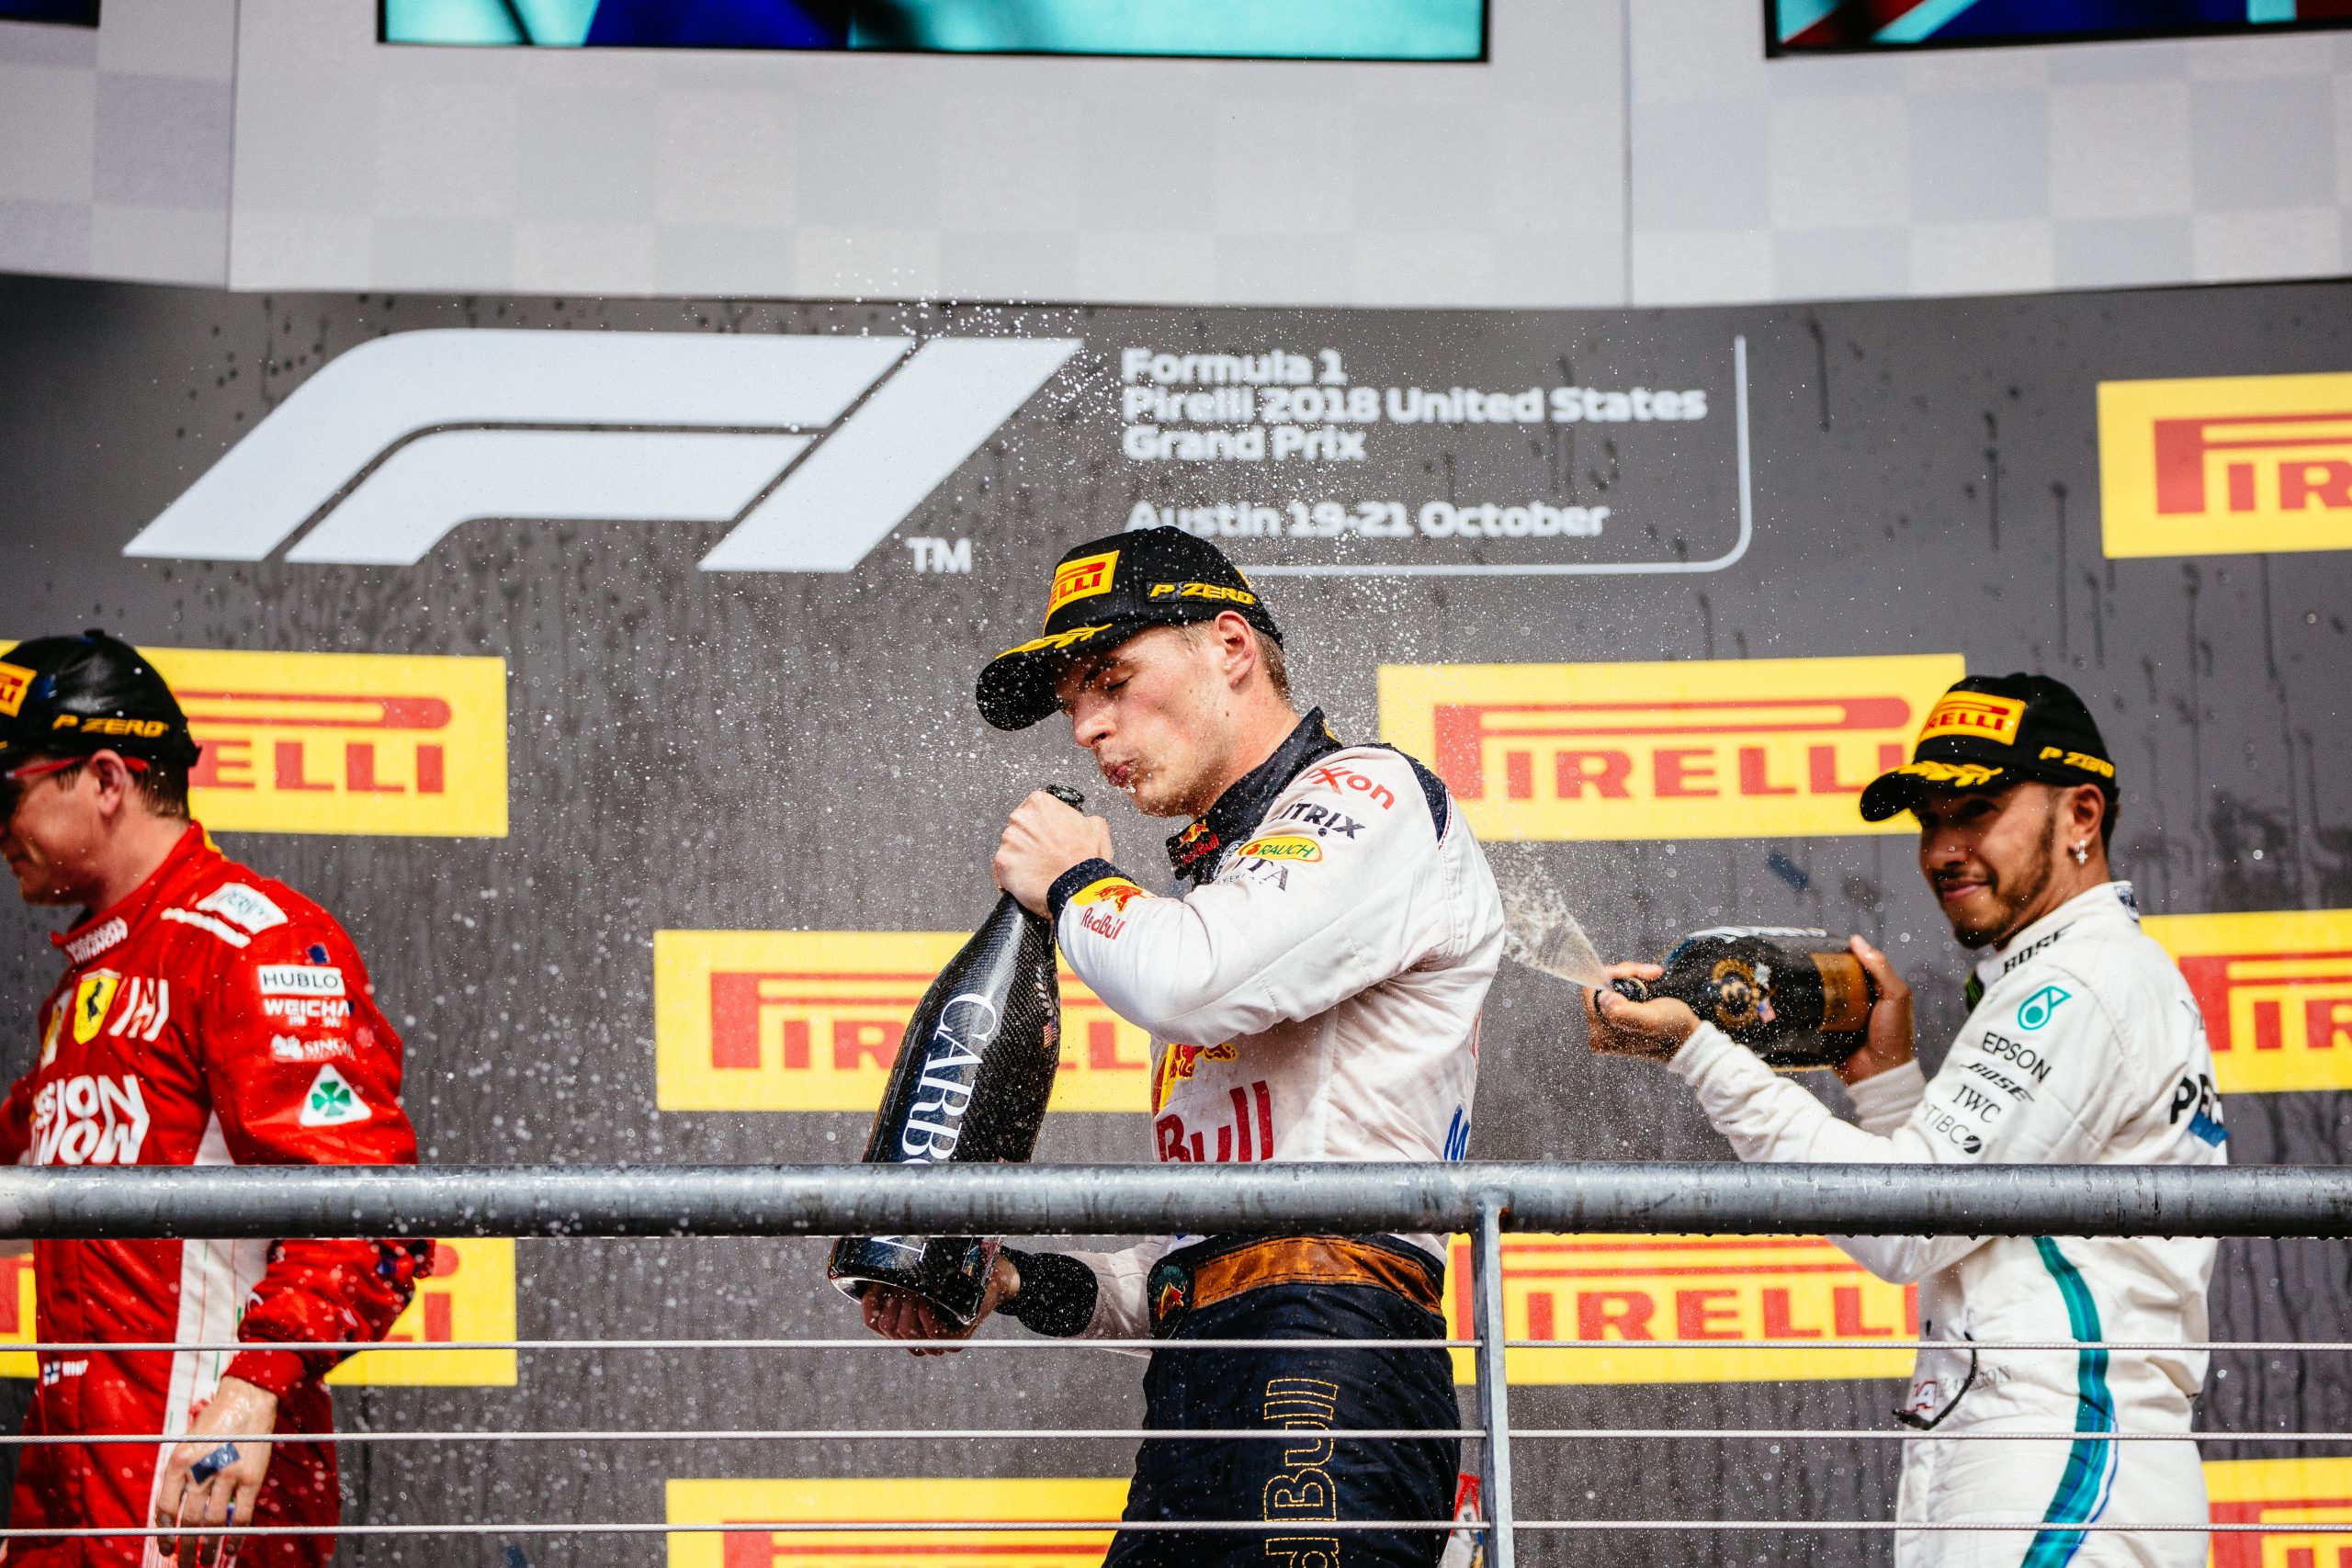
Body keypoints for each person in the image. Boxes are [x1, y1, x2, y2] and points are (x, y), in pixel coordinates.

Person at [859, 528, 1504, 1567]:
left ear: (1230, 647)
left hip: (1330, 1346)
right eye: (1072, 703)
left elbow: (1187, 980)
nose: (1086, 727)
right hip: (1207, 1372)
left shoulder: (1368, 793)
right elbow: (1192, 1257)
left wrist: (1075, 881)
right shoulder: (1226, 886)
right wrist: (1013, 1282)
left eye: (1110, 680)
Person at [1589, 672, 2224, 1567]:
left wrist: (1698, 1053)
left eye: (1977, 809)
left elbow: (1908, 1226)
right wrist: (1885, 1080)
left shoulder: (2079, 982)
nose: (1943, 849)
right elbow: (1975, 1221)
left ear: (2082, 815)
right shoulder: (2080, 972)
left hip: (2062, 1453)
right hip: (2037, 1439)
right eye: (1930, 818)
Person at [0, 631, 426, 1568]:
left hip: (196, 1504)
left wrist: (254, 1385)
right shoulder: (82, 988)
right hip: (73, 1507)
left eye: (7, 792)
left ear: (105, 779)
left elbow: (376, 1214)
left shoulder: (251, 945)